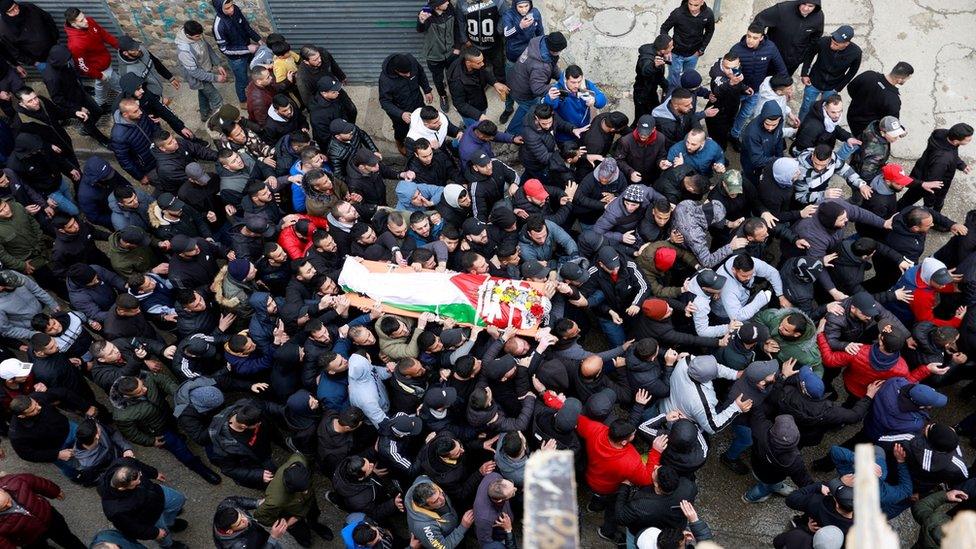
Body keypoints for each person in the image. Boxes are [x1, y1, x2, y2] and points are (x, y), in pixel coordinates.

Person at [98, 461, 189, 549]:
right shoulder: (115, 510)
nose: (140, 481)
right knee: (163, 536)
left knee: (179, 500)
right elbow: (133, 528)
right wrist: (155, 533)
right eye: (136, 482)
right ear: (121, 488)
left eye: (140, 476)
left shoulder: (124, 462)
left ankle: (169, 523)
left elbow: (138, 464)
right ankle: (169, 546)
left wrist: (154, 473)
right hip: (151, 518)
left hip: (156, 493)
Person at [253, 454, 335, 546]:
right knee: (299, 531)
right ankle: (304, 538)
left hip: (308, 502)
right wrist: (284, 523)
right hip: (291, 513)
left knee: (314, 514)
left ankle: (315, 525)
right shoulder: (276, 499)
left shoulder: (300, 460)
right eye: (303, 490)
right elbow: (260, 516)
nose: (306, 491)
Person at [728, 23, 787, 144]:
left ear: (761, 37)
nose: (750, 40)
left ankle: (734, 135)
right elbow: (729, 71)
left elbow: (781, 69)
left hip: (755, 91)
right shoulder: (736, 49)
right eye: (748, 36)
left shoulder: (770, 47)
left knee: (745, 115)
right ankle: (726, 131)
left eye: (755, 38)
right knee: (730, 113)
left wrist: (785, 87)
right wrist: (743, 87)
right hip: (737, 90)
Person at [896, 123, 973, 213]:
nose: (970, 141)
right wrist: (930, 204)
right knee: (935, 205)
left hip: (919, 172)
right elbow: (932, 184)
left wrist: (960, 164)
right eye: (968, 140)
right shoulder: (943, 160)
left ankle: (893, 210)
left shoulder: (941, 133)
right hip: (928, 185)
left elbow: (950, 152)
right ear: (956, 141)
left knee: (907, 199)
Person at [0, 472, 86, 549]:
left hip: (51, 519)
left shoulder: (15, 481)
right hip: (30, 538)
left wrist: (55, 491)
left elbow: (37, 482)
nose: (10, 505)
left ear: (2, 490)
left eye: (8, 501)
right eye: (4, 507)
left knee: (67, 538)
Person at [506, 32, 567, 135]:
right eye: (560, 50)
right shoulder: (541, 66)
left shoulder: (539, 42)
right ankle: (511, 132)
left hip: (515, 78)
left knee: (514, 100)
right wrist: (556, 88)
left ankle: (508, 111)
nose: (561, 52)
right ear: (554, 50)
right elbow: (538, 89)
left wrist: (562, 78)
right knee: (528, 108)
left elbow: (552, 65)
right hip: (523, 92)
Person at [378, 53, 432, 155]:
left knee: (422, 123)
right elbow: (385, 102)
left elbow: (421, 73)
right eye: (405, 74)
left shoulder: (411, 60)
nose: (409, 75)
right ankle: (400, 144)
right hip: (400, 111)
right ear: (396, 70)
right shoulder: (385, 80)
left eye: (410, 72)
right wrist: (401, 114)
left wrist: (427, 90)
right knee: (401, 131)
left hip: (418, 103)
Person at [63, 8, 119, 107]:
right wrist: (99, 75)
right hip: (100, 68)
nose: (86, 20)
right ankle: (127, 93)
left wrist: (119, 46)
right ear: (73, 24)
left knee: (101, 85)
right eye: (81, 20)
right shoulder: (75, 44)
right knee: (115, 82)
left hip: (105, 60)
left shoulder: (90, 21)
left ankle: (99, 103)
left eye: (84, 16)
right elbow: (82, 66)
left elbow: (103, 34)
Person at [175, 20, 227, 122]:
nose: (200, 38)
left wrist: (218, 64)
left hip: (206, 71)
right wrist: (216, 78)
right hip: (198, 77)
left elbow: (207, 48)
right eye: (197, 37)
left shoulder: (197, 34)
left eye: (200, 35)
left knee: (203, 93)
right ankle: (222, 122)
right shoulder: (184, 51)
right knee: (216, 99)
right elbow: (195, 73)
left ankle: (204, 114)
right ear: (188, 35)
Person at [752, 0, 824, 75]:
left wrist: (802, 55)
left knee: (782, 85)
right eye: (803, 4)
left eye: (810, 6)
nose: (805, 8)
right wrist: (763, 45)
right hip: (770, 59)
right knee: (761, 82)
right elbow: (759, 21)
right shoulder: (782, 9)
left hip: (792, 63)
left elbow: (816, 37)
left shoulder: (818, 17)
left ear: (816, 6)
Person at [500, 0, 544, 122]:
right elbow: (506, 33)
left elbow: (540, 32)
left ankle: (528, 109)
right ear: (515, 6)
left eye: (526, 6)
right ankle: (508, 108)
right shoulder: (508, 14)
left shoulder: (535, 13)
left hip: (530, 56)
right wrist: (520, 26)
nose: (524, 9)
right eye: (520, 6)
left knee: (529, 83)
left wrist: (541, 48)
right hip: (513, 56)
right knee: (509, 85)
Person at [211, 0, 261, 103]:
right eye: (227, 8)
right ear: (219, 8)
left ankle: (255, 92)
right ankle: (243, 101)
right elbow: (224, 49)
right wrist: (247, 49)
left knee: (255, 71)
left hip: (248, 49)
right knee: (242, 81)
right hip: (236, 59)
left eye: (232, 6)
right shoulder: (218, 26)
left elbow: (246, 27)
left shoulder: (236, 10)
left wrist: (258, 39)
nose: (232, 9)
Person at [846, 61, 913, 137]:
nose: (906, 81)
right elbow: (891, 122)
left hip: (851, 116)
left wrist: (859, 100)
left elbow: (850, 88)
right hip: (865, 130)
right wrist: (901, 130)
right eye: (906, 79)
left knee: (850, 140)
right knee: (856, 144)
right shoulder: (893, 100)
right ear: (899, 80)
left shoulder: (869, 75)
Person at [660, 0, 715, 91]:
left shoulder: (708, 14)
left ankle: (685, 96)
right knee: (673, 77)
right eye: (690, 4)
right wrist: (667, 48)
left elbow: (709, 32)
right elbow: (664, 28)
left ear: (702, 2)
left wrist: (701, 49)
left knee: (688, 78)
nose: (692, 8)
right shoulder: (678, 13)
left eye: (696, 5)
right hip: (675, 54)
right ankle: (669, 94)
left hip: (693, 54)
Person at [416, 0, 462, 112]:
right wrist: (421, 21)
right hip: (434, 55)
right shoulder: (426, 12)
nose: (448, 2)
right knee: (438, 79)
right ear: (436, 5)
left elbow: (456, 27)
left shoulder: (450, 9)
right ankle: (443, 96)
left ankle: (456, 98)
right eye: (445, 1)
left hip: (451, 53)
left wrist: (457, 47)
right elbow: (420, 29)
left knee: (454, 77)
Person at [633, 35, 673, 122]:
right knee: (640, 118)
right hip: (642, 92)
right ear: (662, 50)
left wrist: (666, 86)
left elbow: (659, 76)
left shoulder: (658, 52)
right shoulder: (646, 58)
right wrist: (654, 66)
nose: (672, 48)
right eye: (670, 47)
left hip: (651, 89)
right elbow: (645, 70)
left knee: (655, 111)